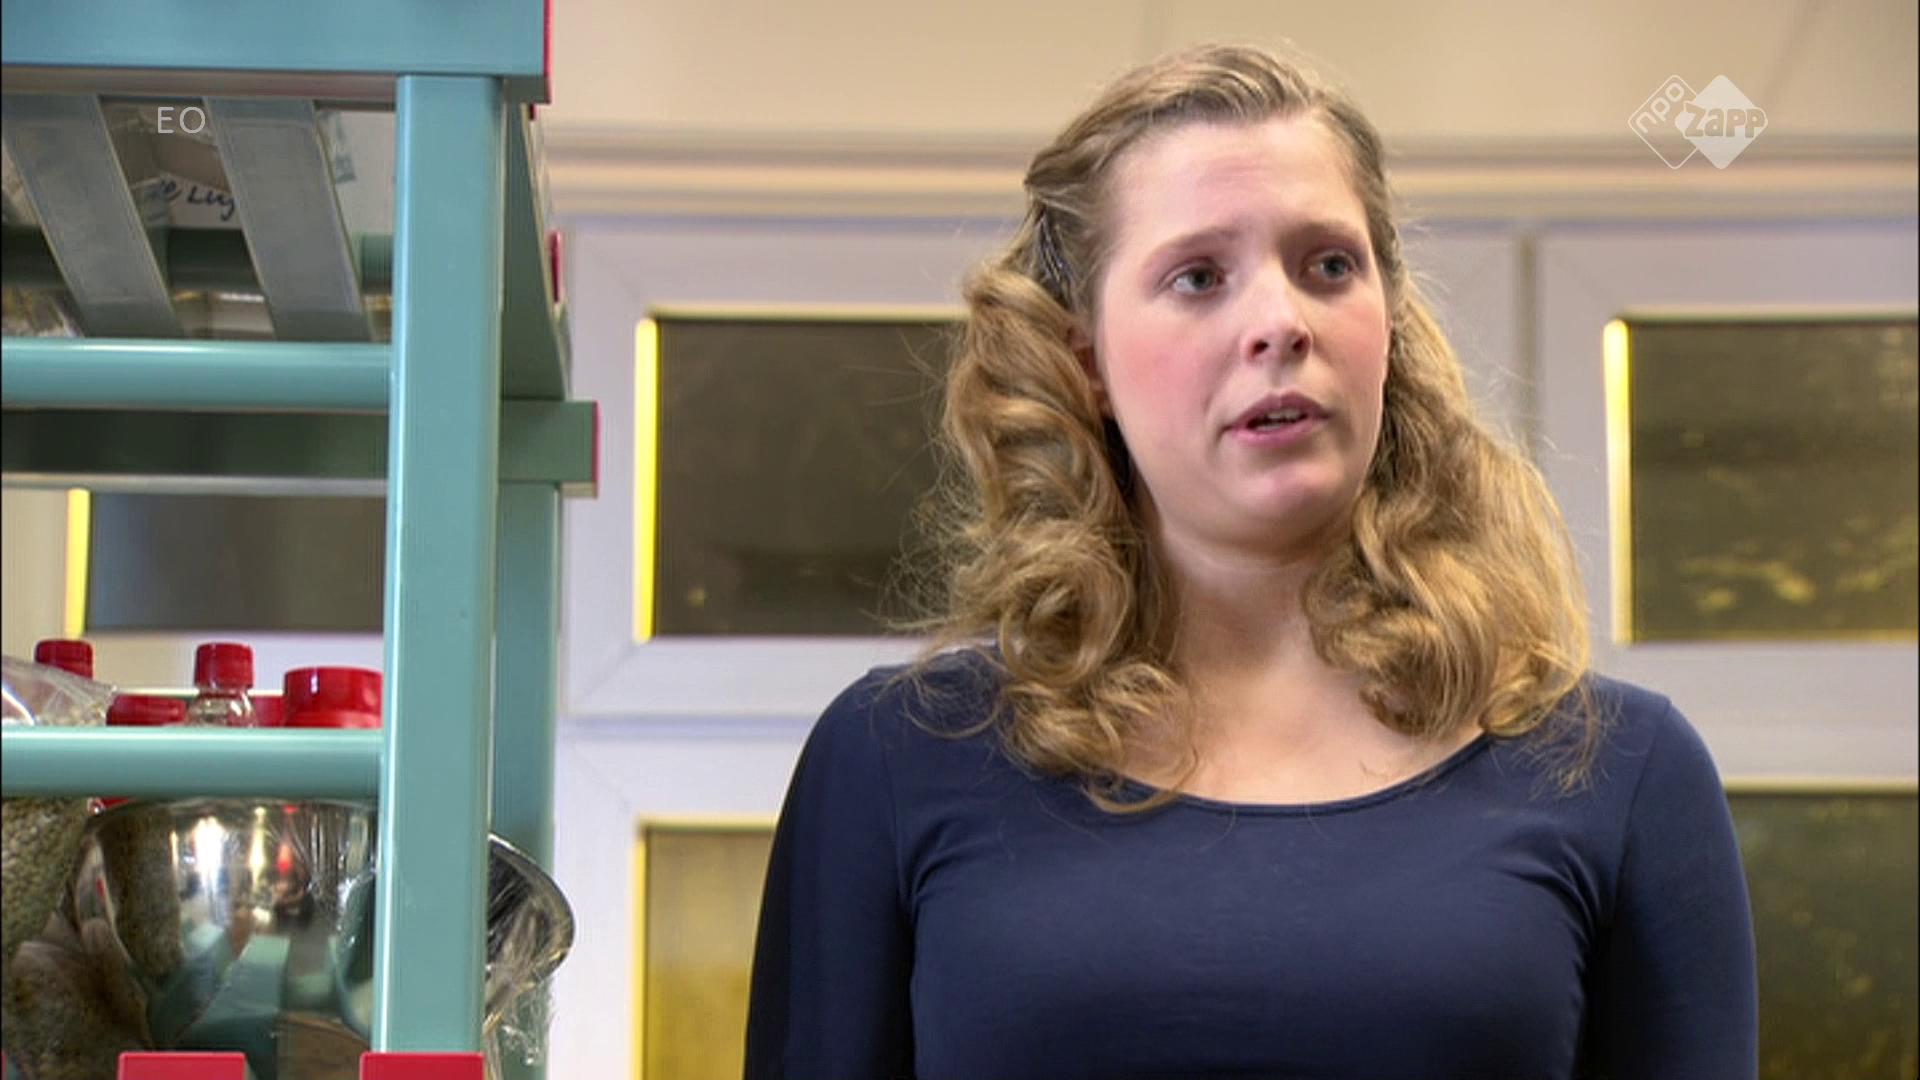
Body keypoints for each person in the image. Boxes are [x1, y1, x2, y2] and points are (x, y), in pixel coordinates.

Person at [744, 43, 1758, 1080]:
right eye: (1197, 277)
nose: (1280, 322)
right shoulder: (896, 761)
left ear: (1389, 325)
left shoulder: (1619, 771)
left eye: (1329, 266)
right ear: (1085, 361)